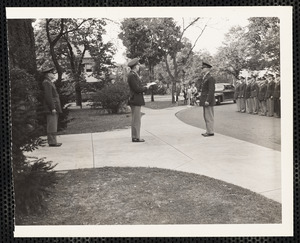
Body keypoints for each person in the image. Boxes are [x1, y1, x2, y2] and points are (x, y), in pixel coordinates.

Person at [127, 58, 152, 142]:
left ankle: (135, 136)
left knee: (136, 119)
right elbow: (137, 89)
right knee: (136, 120)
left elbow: (137, 87)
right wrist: (146, 88)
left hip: (135, 99)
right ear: (135, 66)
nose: (139, 66)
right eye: (138, 65)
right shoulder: (132, 75)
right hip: (135, 99)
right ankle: (136, 137)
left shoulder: (134, 75)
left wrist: (145, 86)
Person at [41, 63, 62, 147]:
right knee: (51, 124)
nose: (54, 74)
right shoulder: (46, 82)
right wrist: (52, 108)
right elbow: (48, 97)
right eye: (52, 73)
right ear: (48, 74)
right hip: (51, 108)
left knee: (53, 124)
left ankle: (53, 141)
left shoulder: (49, 82)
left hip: (54, 106)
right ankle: (52, 142)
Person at [199, 62, 215, 137]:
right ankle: (208, 130)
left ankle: (210, 131)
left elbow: (211, 90)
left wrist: (208, 100)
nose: (202, 69)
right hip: (205, 99)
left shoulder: (210, 78)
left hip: (207, 100)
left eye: (203, 68)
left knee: (209, 116)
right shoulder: (205, 77)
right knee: (206, 116)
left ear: (208, 69)